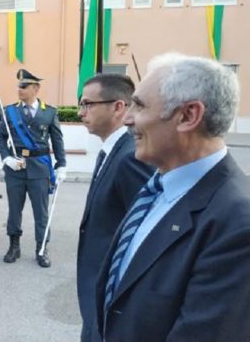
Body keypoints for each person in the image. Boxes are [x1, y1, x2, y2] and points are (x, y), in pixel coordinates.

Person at [95, 54, 250, 341]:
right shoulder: (159, 185)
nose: (127, 118)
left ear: (188, 116)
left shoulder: (237, 222)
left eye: (139, 106)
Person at [76, 74, 153, 342]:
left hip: (111, 296)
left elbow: (144, 233)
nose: (80, 112)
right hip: (98, 290)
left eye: (88, 104)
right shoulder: (114, 150)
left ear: (119, 107)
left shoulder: (130, 156)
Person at [0, 69, 66, 268]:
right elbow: (0, 137)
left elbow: (57, 140)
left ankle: (41, 248)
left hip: (40, 168)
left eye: (24, 86)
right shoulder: (10, 111)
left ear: (36, 88)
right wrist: (6, 158)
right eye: (19, 86)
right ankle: (14, 246)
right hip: (16, 168)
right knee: (14, 210)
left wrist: (61, 164)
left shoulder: (49, 112)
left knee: (41, 212)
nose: (19, 89)